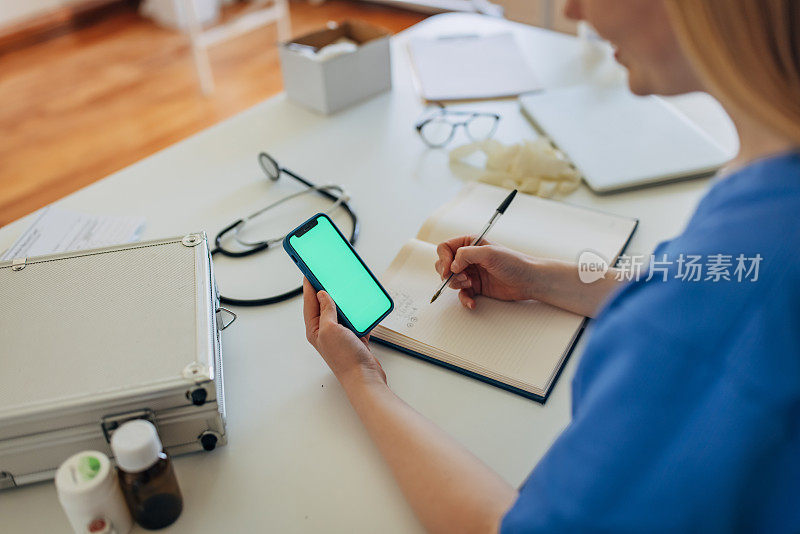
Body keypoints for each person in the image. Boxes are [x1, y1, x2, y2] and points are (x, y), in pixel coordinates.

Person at [301, 0, 800, 531]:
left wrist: (362, 379)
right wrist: (542, 279)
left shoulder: (710, 322)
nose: (572, 8)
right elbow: (710, 281)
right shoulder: (770, 198)